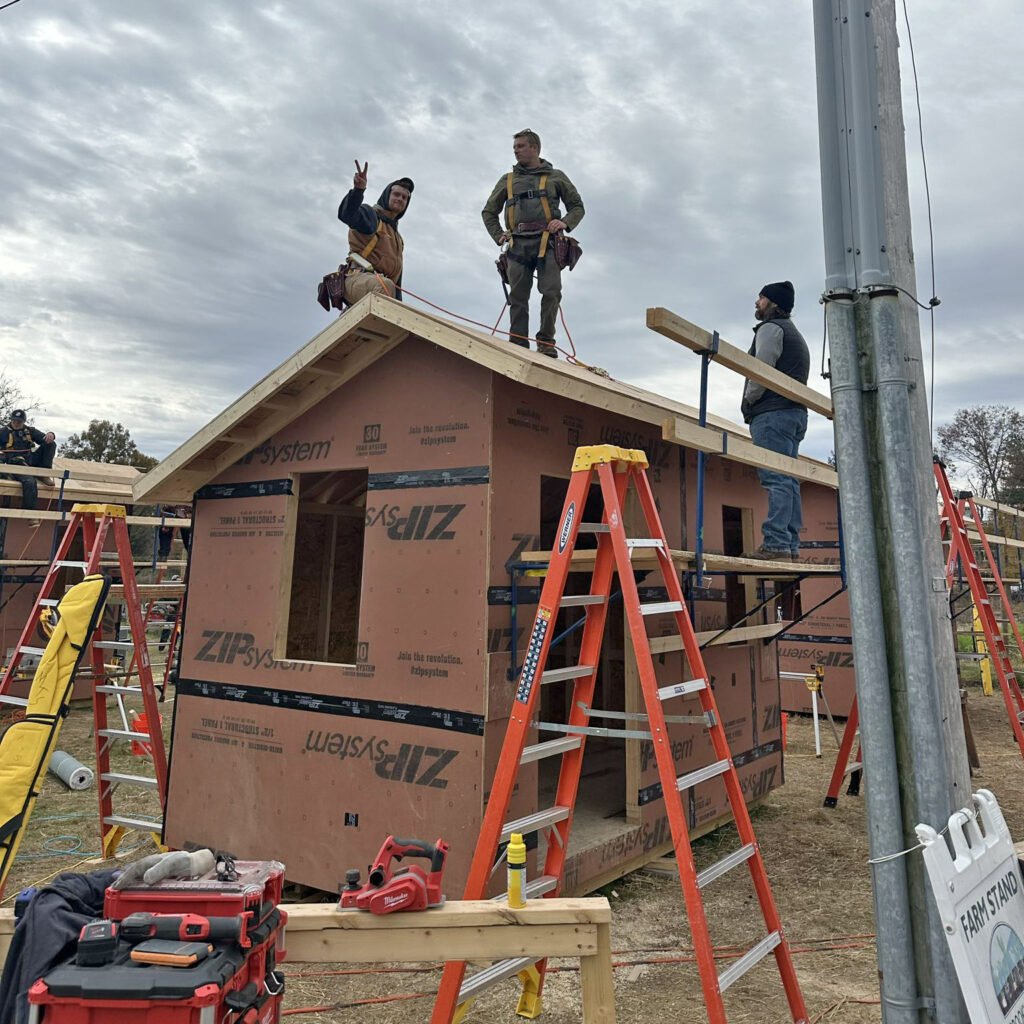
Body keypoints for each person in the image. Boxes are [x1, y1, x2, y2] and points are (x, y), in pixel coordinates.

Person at [482, 129, 584, 358]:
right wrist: (498, 234)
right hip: (517, 244)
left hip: (547, 243)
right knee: (518, 296)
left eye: (520, 146)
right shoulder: (507, 180)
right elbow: (489, 211)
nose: (516, 151)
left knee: (552, 291)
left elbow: (577, 206)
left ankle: (546, 342)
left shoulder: (556, 176)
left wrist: (564, 222)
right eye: (514, 147)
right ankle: (518, 344)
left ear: (534, 148)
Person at [740, 281, 810, 560]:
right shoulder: (793, 333)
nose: (757, 302)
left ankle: (777, 544)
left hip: (772, 414)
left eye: (761, 298)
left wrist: (750, 399)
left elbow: (762, 370)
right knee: (787, 479)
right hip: (793, 414)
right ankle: (789, 545)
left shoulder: (771, 329)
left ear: (773, 303)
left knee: (776, 478)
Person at [336, 160, 414, 305]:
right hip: (356, 278)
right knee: (385, 286)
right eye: (396, 194)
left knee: (401, 310)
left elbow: (397, 283)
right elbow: (347, 215)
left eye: (404, 198)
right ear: (386, 196)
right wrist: (358, 191)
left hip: (384, 287)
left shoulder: (398, 239)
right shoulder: (371, 216)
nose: (400, 199)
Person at [0, 409, 56, 512]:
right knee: (30, 482)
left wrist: (51, 434)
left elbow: (44, 438)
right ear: (11, 420)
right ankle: (29, 511)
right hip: (15, 463)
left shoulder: (29, 431)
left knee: (50, 444)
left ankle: (43, 473)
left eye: (19, 421)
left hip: (30, 460)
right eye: (14, 421)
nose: (16, 423)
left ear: (23, 422)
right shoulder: (3, 432)